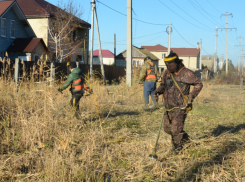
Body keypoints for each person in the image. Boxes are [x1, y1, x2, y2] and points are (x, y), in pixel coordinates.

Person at [154, 51, 203, 153]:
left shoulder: (186, 73)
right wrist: (157, 92)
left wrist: (191, 96)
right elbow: (163, 85)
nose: (168, 66)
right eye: (167, 64)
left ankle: (178, 149)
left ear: (177, 62)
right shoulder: (166, 73)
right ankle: (184, 138)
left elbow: (199, 84)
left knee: (175, 129)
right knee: (167, 129)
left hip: (180, 106)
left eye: (170, 64)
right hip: (168, 106)